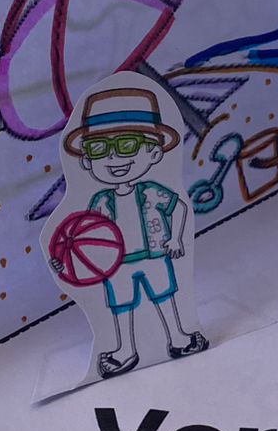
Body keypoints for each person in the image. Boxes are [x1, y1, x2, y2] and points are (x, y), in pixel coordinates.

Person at [51, 86, 208, 377]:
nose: (113, 158)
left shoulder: (151, 191)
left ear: (154, 152)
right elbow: (83, 239)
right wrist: (64, 263)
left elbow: (179, 208)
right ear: (86, 161)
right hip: (117, 266)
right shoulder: (100, 201)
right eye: (99, 148)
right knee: (121, 307)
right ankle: (125, 351)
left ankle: (178, 337)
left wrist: (175, 238)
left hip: (155, 256)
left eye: (127, 145)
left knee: (165, 296)